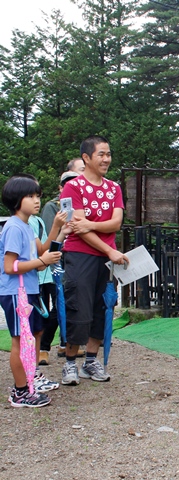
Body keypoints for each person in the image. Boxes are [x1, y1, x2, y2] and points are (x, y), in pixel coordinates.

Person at [59, 135, 128, 385]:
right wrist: (108, 248)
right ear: (86, 158)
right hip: (80, 255)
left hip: (106, 260)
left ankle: (90, 361)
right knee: (79, 307)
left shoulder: (114, 188)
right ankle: (69, 363)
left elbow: (116, 223)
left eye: (108, 154)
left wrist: (90, 223)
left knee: (103, 308)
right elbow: (78, 228)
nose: (106, 159)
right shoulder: (72, 187)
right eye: (101, 154)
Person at [1, 175, 66, 407]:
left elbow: (41, 249)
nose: (37, 200)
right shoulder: (14, 228)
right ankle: (20, 391)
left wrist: (58, 228)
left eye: (38, 195)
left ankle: (30, 381)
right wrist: (42, 262)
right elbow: (10, 266)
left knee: (34, 334)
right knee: (20, 340)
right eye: (31, 196)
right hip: (15, 292)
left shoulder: (28, 225)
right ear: (16, 200)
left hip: (28, 290)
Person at [38, 169, 85, 364]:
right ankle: (43, 347)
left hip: (74, 259)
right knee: (54, 306)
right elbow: (51, 238)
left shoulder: (83, 204)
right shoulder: (52, 206)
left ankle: (65, 343)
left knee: (66, 304)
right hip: (52, 261)